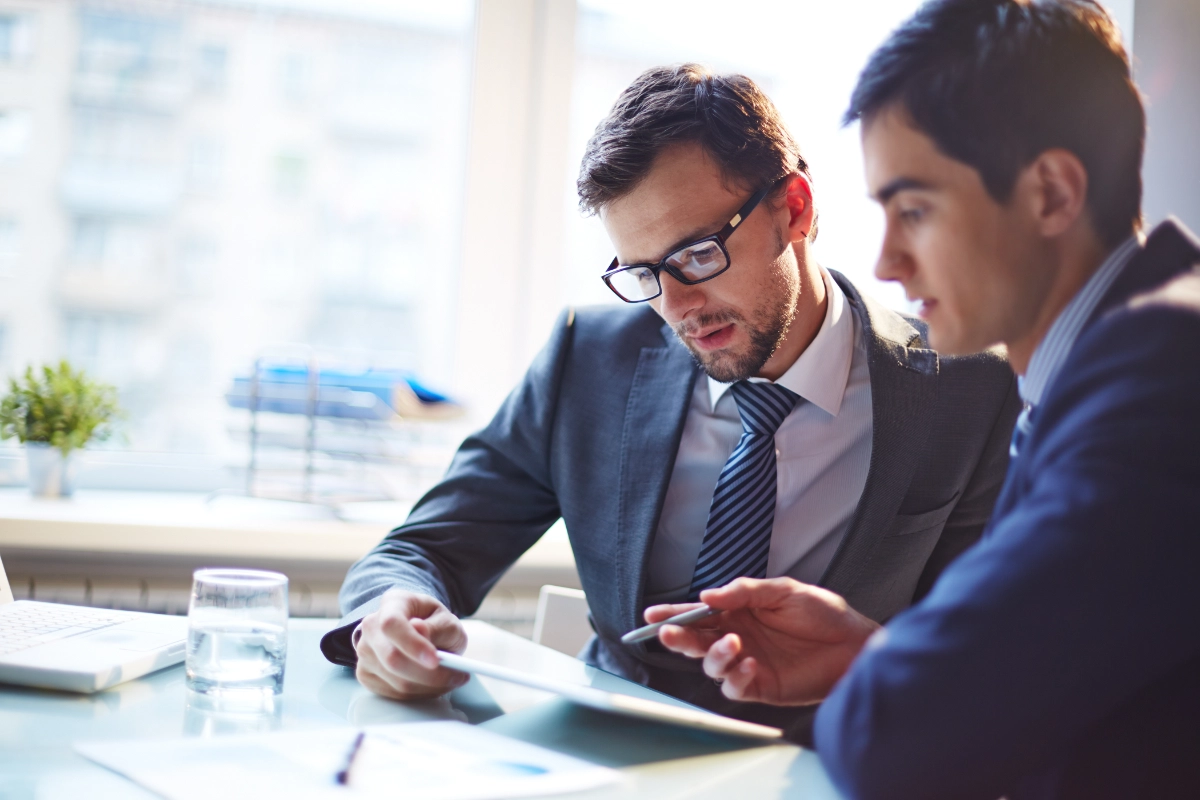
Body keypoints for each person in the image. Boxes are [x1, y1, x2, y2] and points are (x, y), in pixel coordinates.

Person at [319, 64, 1019, 737]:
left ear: (795, 209)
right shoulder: (585, 360)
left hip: (826, 764)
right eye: (643, 274)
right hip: (609, 757)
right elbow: (422, 550)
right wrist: (387, 617)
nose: (678, 305)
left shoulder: (967, 390)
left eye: (696, 255)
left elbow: (988, 653)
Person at [650, 1, 1200, 796]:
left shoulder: (1158, 377)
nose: (886, 263)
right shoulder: (1117, 359)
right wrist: (870, 657)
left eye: (915, 210)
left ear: (1049, 193)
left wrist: (891, 679)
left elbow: (895, 733)